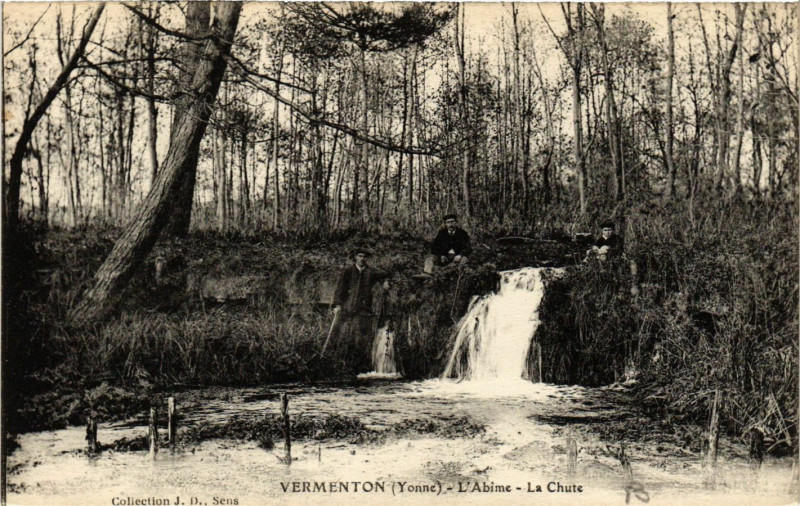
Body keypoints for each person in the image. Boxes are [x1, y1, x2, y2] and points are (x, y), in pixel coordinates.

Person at [331, 248, 390, 373]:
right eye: (360, 256)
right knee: (346, 336)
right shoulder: (348, 272)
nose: (362, 259)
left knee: (362, 337)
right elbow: (340, 289)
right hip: (348, 309)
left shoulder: (370, 272)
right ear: (355, 257)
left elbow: (386, 273)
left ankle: (360, 365)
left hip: (364, 310)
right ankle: (342, 364)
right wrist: (337, 305)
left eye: (364, 256)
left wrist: (386, 282)